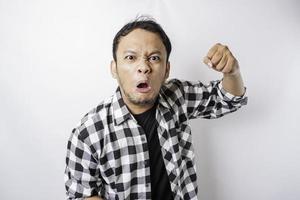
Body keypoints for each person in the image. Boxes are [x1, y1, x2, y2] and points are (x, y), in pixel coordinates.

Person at [64, 16, 247, 200]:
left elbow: (229, 99)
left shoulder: (178, 96)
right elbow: (80, 195)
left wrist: (232, 72)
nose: (143, 67)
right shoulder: (88, 132)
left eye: (154, 58)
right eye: (130, 57)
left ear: (166, 70)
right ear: (114, 68)